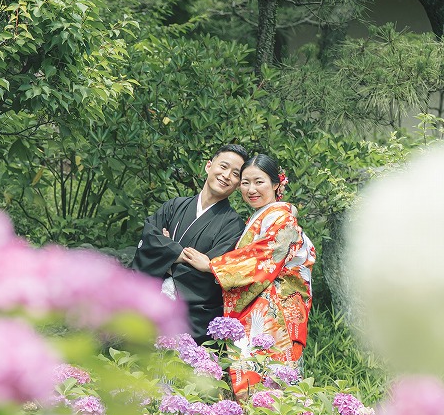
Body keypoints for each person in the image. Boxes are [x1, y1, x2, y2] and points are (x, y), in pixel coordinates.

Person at [179, 153, 315, 398]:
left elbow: (264, 256)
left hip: (275, 313)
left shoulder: (282, 218)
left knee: (268, 383)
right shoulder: (259, 218)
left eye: (259, 182)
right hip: (259, 308)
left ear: (276, 184)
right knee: (251, 379)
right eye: (245, 182)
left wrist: (212, 266)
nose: (251, 189)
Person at [132, 145, 250, 337]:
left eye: (235, 174)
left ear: (238, 184)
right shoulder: (175, 206)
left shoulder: (233, 225)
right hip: (149, 305)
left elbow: (213, 273)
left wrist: (166, 253)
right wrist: (180, 256)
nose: (226, 175)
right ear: (208, 166)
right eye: (223, 166)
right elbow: (149, 240)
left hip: (192, 319)